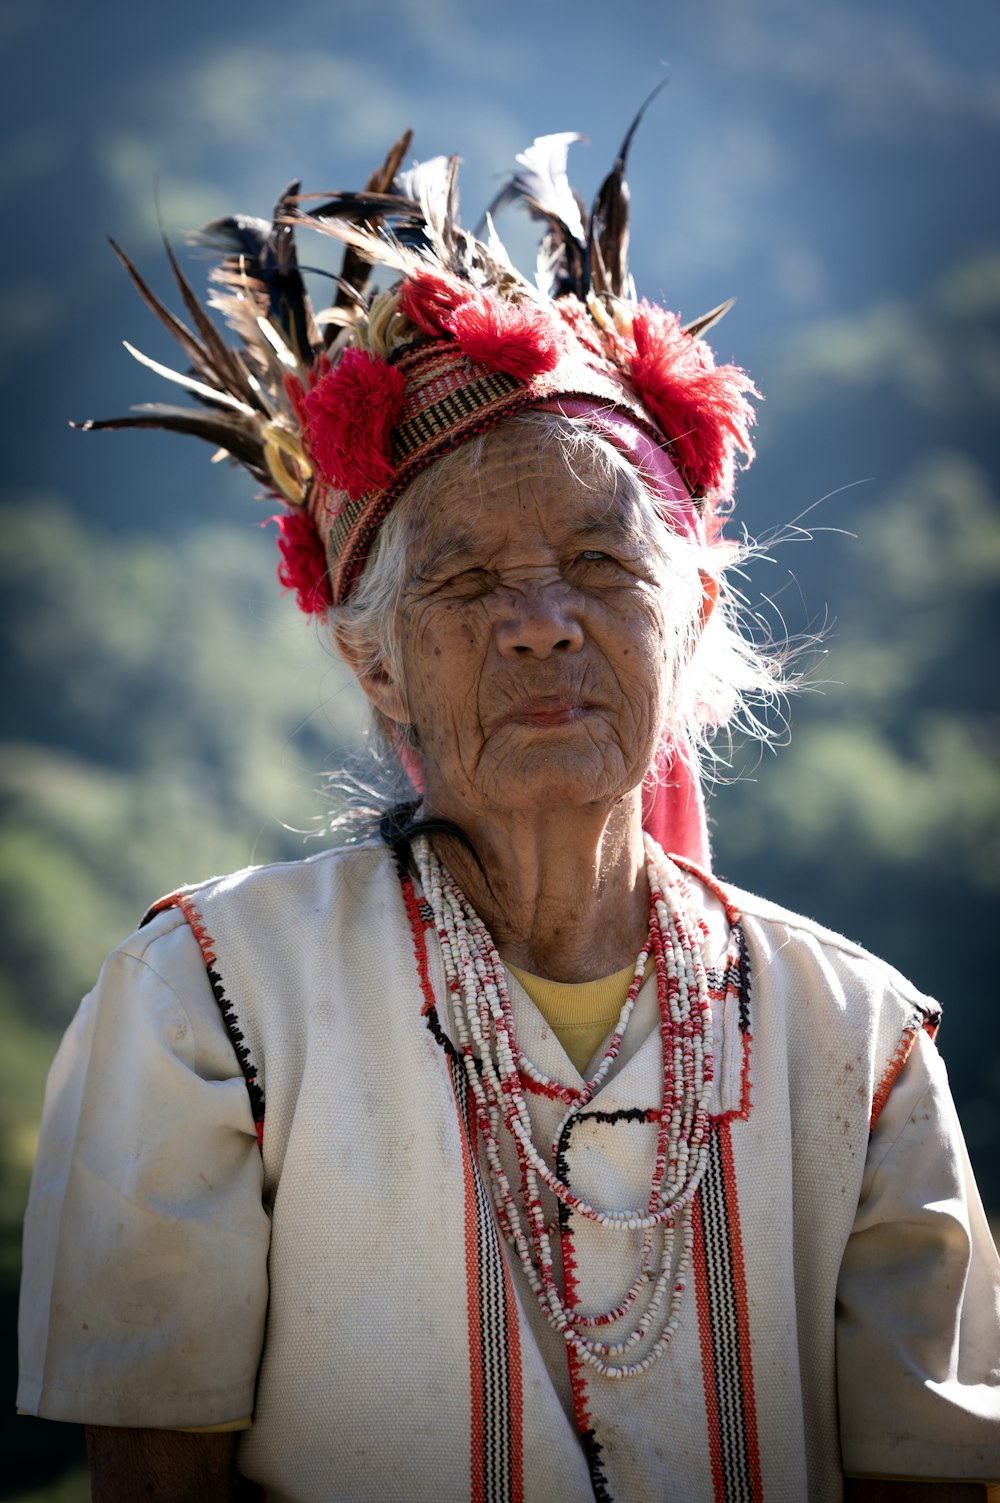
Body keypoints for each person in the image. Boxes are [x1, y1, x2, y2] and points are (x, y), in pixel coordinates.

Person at [16, 112, 1000, 1503]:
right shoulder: (208, 1009)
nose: (540, 626)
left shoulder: (862, 1041)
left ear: (695, 619)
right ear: (375, 662)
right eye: (467, 583)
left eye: (600, 566)